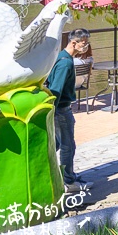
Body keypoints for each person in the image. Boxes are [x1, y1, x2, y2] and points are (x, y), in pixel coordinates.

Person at [45, 28, 90, 193]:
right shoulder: (65, 62)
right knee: (68, 146)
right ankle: (69, 181)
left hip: (60, 110)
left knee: (56, 144)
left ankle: (58, 174)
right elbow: (56, 89)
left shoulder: (60, 57)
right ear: (74, 43)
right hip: (61, 110)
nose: (86, 47)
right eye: (84, 44)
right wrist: (52, 112)